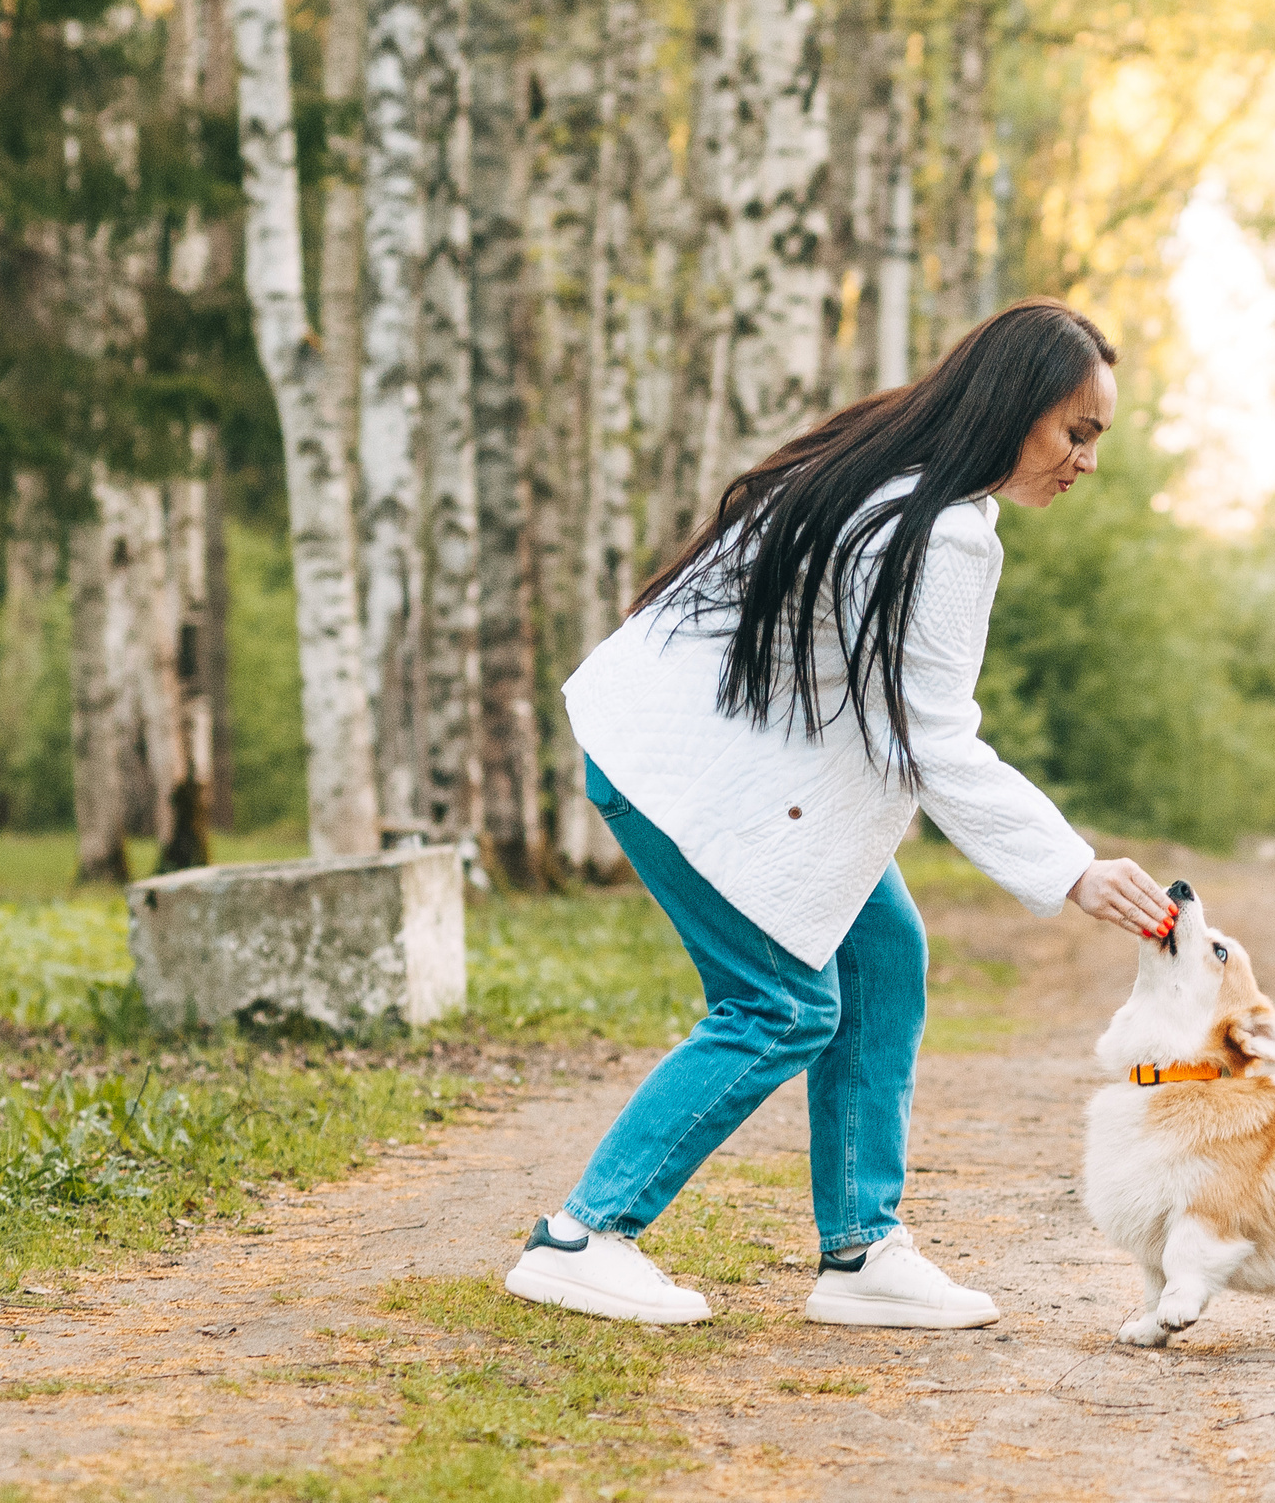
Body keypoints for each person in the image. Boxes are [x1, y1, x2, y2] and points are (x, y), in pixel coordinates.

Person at [503, 298, 1174, 1329]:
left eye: (1096, 440)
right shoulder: (937, 527)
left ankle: (860, 1255)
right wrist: (1072, 867)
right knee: (779, 1006)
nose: (1087, 460)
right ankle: (583, 1237)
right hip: (677, 769)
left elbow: (881, 714)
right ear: (1013, 407)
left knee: (880, 957)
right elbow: (933, 741)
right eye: (1075, 432)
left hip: (691, 748)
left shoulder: (906, 483)